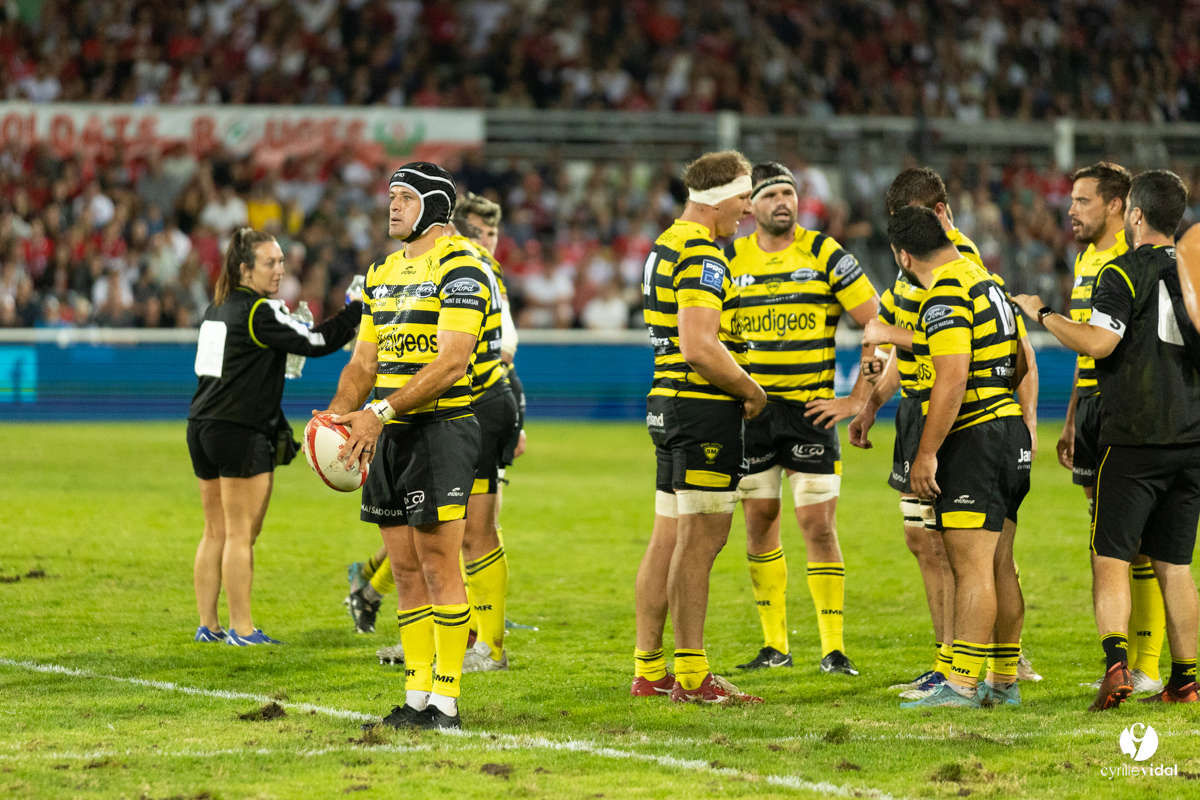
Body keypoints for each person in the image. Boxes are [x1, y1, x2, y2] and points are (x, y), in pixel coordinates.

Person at [1013, 170, 1200, 709]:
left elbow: (1098, 343)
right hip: (1190, 438)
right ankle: (1186, 681)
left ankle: (1117, 668)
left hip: (1135, 437)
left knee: (1110, 557)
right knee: (1176, 565)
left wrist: (1044, 314)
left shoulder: (1122, 272)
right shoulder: (1193, 272)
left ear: (1135, 216)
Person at [851, 167, 1040, 698]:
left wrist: (928, 451)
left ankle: (959, 682)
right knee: (996, 560)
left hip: (974, 432)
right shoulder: (989, 283)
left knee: (969, 562)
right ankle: (1002, 681)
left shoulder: (949, 290)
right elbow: (1020, 360)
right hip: (1000, 429)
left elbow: (951, 376)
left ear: (904, 252)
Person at [324, 162, 492, 731]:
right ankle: (417, 696)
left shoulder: (464, 264)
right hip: (386, 431)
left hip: (441, 428)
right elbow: (364, 363)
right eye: (390, 197)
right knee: (404, 567)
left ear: (435, 206)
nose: (391, 206)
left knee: (442, 562)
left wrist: (377, 412)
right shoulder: (382, 271)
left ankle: (446, 702)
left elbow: (452, 361)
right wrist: (339, 413)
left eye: (404, 197)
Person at [725, 162, 879, 676]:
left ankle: (833, 648)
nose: (782, 202)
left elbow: (879, 324)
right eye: (771, 195)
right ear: (752, 207)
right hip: (754, 412)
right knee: (759, 522)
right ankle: (775, 646)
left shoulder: (826, 254)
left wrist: (857, 398)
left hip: (812, 411)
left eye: (789, 193)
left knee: (817, 524)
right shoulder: (731, 258)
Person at [632, 150, 766, 704]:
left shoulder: (666, 242)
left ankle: (650, 668)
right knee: (702, 541)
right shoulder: (704, 254)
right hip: (701, 406)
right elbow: (699, 345)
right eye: (744, 198)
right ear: (719, 199)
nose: (748, 211)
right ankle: (692, 674)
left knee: (668, 538)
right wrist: (750, 389)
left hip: (668, 403)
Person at [188, 227, 363, 646]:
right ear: (246, 269)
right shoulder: (258, 312)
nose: (280, 269)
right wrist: (358, 312)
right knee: (240, 533)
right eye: (271, 262)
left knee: (215, 531)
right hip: (240, 430)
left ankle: (209, 626)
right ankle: (243, 629)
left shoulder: (217, 308)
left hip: (202, 427)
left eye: (282, 260)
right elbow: (317, 342)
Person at [1062, 164, 1166, 696]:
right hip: (1090, 410)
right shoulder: (1085, 259)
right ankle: (1128, 659)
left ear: (1118, 206)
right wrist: (1071, 416)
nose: (1072, 210)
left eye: (1082, 201)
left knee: (1136, 542)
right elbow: (1087, 346)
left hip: (1123, 409)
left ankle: (1144, 662)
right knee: (1107, 531)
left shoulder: (1126, 265)